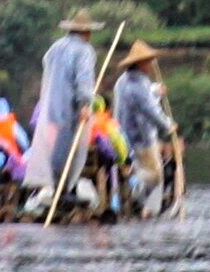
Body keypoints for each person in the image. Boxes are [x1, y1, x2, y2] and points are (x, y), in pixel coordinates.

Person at [29, 14, 99, 190]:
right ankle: (61, 186)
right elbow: (84, 79)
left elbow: (46, 64)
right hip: (71, 107)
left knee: (60, 143)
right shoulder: (84, 50)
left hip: (52, 105)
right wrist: (84, 104)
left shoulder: (55, 48)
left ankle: (58, 185)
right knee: (68, 147)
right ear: (86, 31)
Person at [108, 41, 173, 204]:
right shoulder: (139, 85)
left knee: (142, 169)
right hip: (141, 139)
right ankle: (135, 191)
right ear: (139, 63)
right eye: (148, 61)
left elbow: (143, 98)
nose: (151, 65)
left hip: (123, 137)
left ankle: (136, 196)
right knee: (155, 176)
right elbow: (151, 111)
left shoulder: (123, 81)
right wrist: (168, 125)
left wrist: (157, 90)